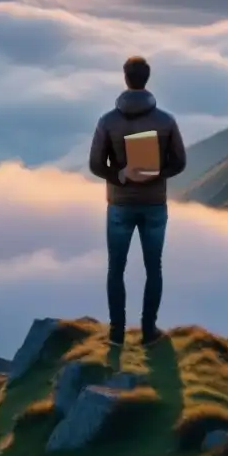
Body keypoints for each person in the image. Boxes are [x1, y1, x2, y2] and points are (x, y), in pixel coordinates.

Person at [88, 56, 187, 347]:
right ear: (147, 78)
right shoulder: (166, 121)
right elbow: (179, 162)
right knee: (153, 268)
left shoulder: (107, 121)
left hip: (119, 204)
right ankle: (148, 332)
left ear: (125, 78)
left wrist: (120, 174)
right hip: (154, 204)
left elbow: (95, 165)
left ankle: (116, 334)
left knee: (115, 268)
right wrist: (155, 174)